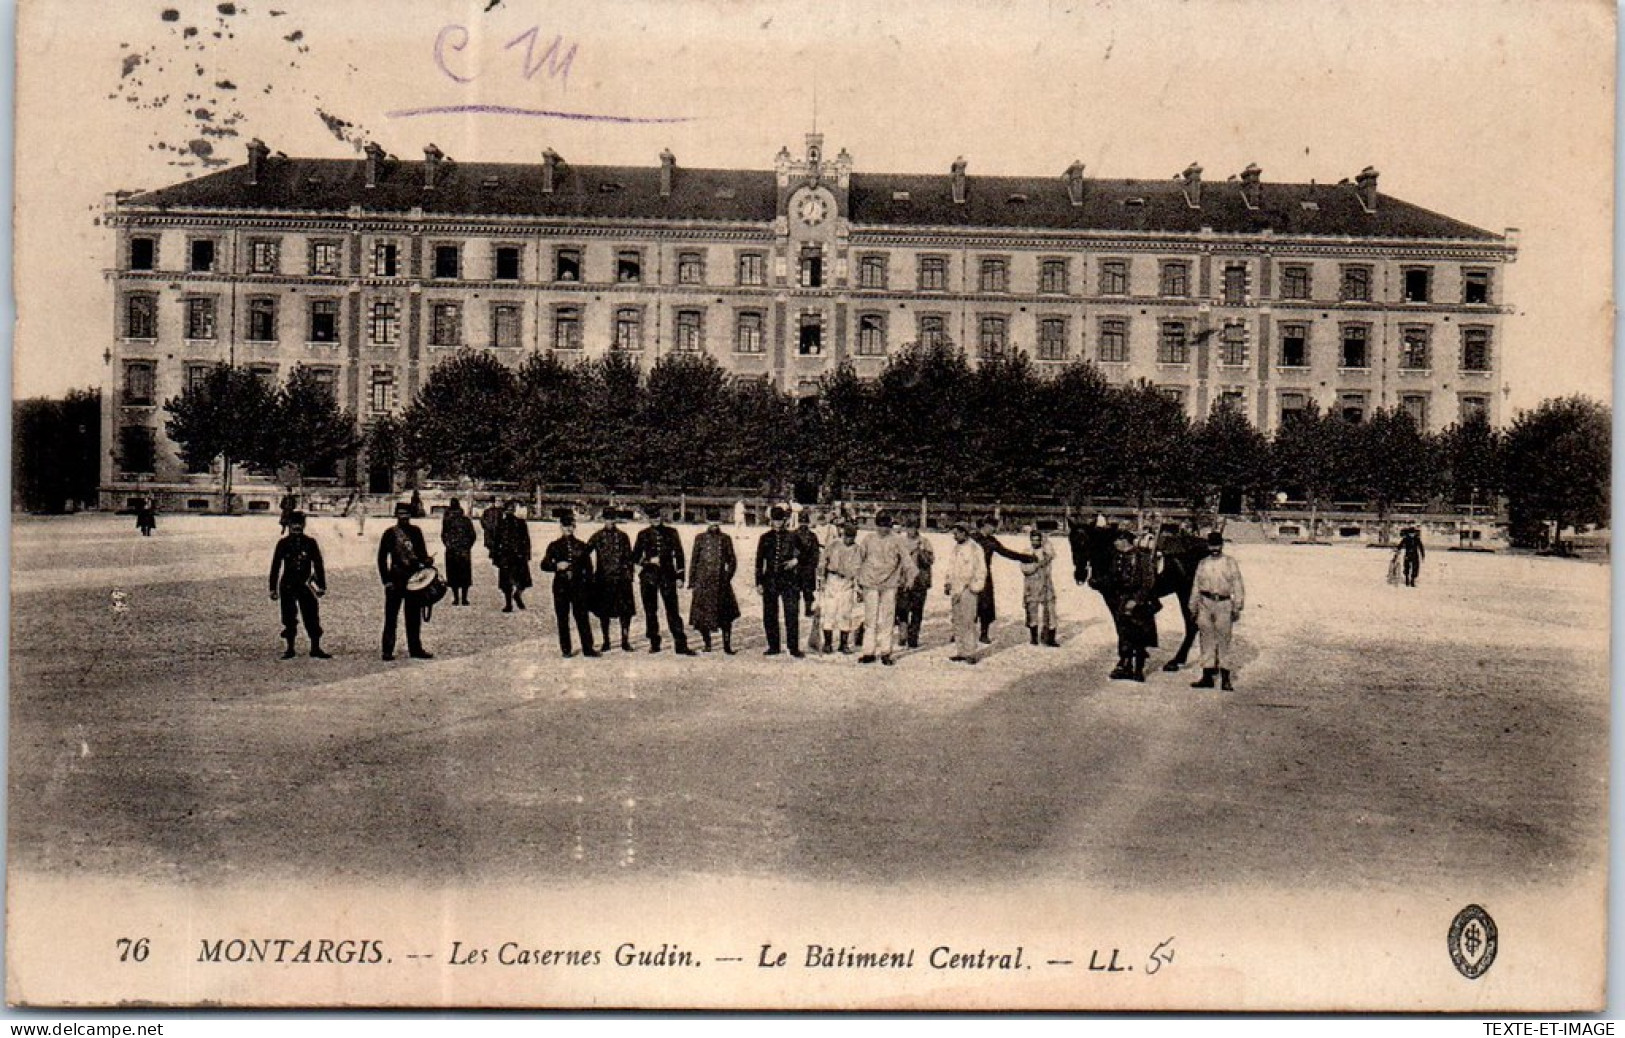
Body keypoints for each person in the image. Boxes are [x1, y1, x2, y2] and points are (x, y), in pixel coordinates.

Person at [632, 506, 695, 655]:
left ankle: (680, 644)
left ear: (661, 518)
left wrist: (680, 577)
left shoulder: (672, 533)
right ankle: (654, 642)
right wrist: (648, 561)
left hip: (668, 577)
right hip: (648, 578)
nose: (655, 521)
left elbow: (679, 555)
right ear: (648, 519)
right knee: (650, 611)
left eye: (657, 518)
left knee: (673, 611)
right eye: (652, 518)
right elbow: (634, 557)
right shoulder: (643, 535)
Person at [855, 512, 915, 666]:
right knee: (871, 619)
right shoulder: (868, 539)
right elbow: (858, 559)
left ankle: (886, 652)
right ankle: (868, 651)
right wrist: (857, 580)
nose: (883, 529)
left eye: (886, 526)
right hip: (870, 583)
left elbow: (908, 561)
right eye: (880, 526)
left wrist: (910, 578)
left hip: (890, 584)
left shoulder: (897, 540)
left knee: (888, 618)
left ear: (890, 526)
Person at [268, 511, 329, 659]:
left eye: (299, 524)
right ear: (288, 525)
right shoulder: (283, 544)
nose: (296, 527)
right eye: (293, 524)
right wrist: (272, 588)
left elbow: (318, 564)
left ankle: (315, 648)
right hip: (288, 584)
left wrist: (321, 585)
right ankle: (290, 648)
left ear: (304, 525)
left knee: (312, 616)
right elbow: (276, 566)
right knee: (289, 617)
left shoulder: (310, 543)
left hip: (305, 585)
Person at [538, 508, 598, 658]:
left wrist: (589, 588)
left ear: (574, 527)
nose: (568, 529)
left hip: (579, 587)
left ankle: (588, 648)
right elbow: (544, 565)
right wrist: (556, 566)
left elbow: (589, 569)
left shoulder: (582, 546)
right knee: (562, 618)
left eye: (571, 526)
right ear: (561, 527)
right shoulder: (554, 546)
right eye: (565, 526)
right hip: (561, 587)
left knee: (582, 618)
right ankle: (566, 649)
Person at [377, 501, 433, 661]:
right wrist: (386, 580)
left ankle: (415, 648)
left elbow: (422, 554)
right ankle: (387, 650)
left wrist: (427, 561)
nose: (404, 517)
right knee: (391, 617)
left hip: (414, 579)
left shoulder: (416, 532)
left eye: (406, 514)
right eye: (401, 514)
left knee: (413, 616)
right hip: (395, 579)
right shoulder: (390, 533)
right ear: (396, 515)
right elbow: (381, 558)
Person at [1190, 531, 1246, 690]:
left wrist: (1237, 606)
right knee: (1206, 639)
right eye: (1212, 545)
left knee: (1223, 640)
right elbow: (1196, 586)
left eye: (1217, 545)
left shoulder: (1230, 563)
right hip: (1205, 603)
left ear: (1222, 545)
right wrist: (1192, 606)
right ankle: (1207, 677)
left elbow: (1237, 585)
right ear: (1208, 546)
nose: (1215, 549)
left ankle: (1226, 678)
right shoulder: (1203, 563)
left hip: (1223, 603)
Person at [1103, 529, 1158, 681]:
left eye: (1117, 540)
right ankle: (1125, 666)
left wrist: (1136, 600)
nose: (1114, 543)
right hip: (1121, 600)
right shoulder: (1118, 557)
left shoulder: (1142, 557)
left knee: (1139, 634)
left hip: (1138, 602)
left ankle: (1138, 670)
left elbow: (1148, 582)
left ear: (1124, 540)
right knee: (1124, 634)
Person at [754, 505, 808, 657]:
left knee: (791, 613)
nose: (778, 523)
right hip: (770, 579)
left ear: (785, 521)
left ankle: (793, 647)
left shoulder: (793, 536)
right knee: (770, 614)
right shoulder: (765, 538)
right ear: (771, 521)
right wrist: (758, 582)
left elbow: (806, 553)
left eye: (780, 520)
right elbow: (759, 561)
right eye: (775, 520)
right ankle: (773, 646)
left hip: (789, 580)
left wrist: (795, 561)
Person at [971, 515, 1027, 644]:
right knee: (968, 604)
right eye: (992, 526)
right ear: (985, 525)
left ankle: (984, 633)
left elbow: (1006, 552)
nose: (994, 529)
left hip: (985, 576)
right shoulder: (972, 539)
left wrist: (1025, 558)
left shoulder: (992, 541)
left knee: (986, 604)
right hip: (970, 575)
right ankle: (960, 632)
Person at [688, 519, 741, 653]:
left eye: (716, 524)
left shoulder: (725, 539)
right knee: (702, 617)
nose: (714, 526)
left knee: (726, 616)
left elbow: (732, 560)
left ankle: (727, 646)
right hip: (703, 582)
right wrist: (692, 580)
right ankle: (707, 644)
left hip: (720, 583)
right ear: (706, 522)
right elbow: (694, 559)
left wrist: (727, 576)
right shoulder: (699, 538)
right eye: (711, 523)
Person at [588, 508, 637, 652]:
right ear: (603, 520)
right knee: (604, 612)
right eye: (607, 519)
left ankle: (625, 640)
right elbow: (585, 553)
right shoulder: (597, 536)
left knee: (625, 612)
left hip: (622, 579)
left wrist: (629, 575)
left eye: (612, 518)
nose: (610, 521)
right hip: (604, 580)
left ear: (615, 519)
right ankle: (606, 641)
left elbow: (629, 558)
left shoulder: (623, 537)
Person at [943, 520, 988, 664]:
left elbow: (981, 570)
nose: (955, 536)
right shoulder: (956, 548)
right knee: (957, 621)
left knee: (968, 621)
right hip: (956, 589)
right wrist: (948, 582)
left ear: (964, 532)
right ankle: (961, 650)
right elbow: (950, 567)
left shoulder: (975, 548)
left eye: (957, 533)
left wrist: (974, 587)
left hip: (968, 589)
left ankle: (970, 652)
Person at [818, 521, 863, 654]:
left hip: (847, 583)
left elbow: (859, 569)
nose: (849, 539)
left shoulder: (857, 549)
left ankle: (843, 644)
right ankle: (827, 643)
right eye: (847, 536)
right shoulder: (834, 544)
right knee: (830, 612)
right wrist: (821, 579)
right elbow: (823, 561)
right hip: (833, 580)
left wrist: (859, 587)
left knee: (845, 613)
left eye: (852, 537)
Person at [895, 514, 935, 649]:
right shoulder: (900, 542)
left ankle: (913, 637)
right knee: (902, 609)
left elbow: (930, 561)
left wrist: (922, 551)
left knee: (917, 611)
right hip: (904, 580)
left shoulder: (925, 541)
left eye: (913, 527)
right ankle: (903, 633)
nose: (911, 530)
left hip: (919, 581)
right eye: (909, 527)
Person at [1019, 529, 1059, 647]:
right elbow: (1025, 569)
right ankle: (1034, 638)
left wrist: (1046, 538)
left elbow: (1052, 553)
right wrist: (1038, 565)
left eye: (1038, 540)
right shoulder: (1026, 552)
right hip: (1032, 584)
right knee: (1032, 611)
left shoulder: (1046, 552)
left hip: (1046, 584)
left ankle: (1050, 638)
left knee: (1051, 611)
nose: (1035, 542)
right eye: (1033, 540)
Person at [495, 499, 533, 612]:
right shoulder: (501, 524)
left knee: (523, 581)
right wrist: (496, 557)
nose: (510, 511)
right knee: (507, 583)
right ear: (505, 511)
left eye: (512, 509)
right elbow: (496, 541)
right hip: (506, 556)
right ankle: (508, 604)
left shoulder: (521, 523)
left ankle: (517, 595)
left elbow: (526, 540)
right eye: (508, 509)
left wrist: (527, 554)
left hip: (519, 556)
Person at [440, 498, 478, 606]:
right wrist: (467, 546)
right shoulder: (466, 520)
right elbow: (472, 535)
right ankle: (464, 598)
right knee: (464, 575)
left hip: (452, 551)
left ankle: (456, 598)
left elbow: (443, 535)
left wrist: (448, 545)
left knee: (453, 575)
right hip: (463, 551)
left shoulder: (447, 520)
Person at [793, 510, 822, 618]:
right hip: (798, 567)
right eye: (802, 522)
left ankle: (807, 609)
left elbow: (816, 552)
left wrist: (814, 564)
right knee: (796, 591)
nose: (803, 525)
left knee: (808, 592)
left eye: (805, 522)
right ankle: (797, 610)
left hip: (807, 568)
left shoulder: (812, 536)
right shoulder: (793, 535)